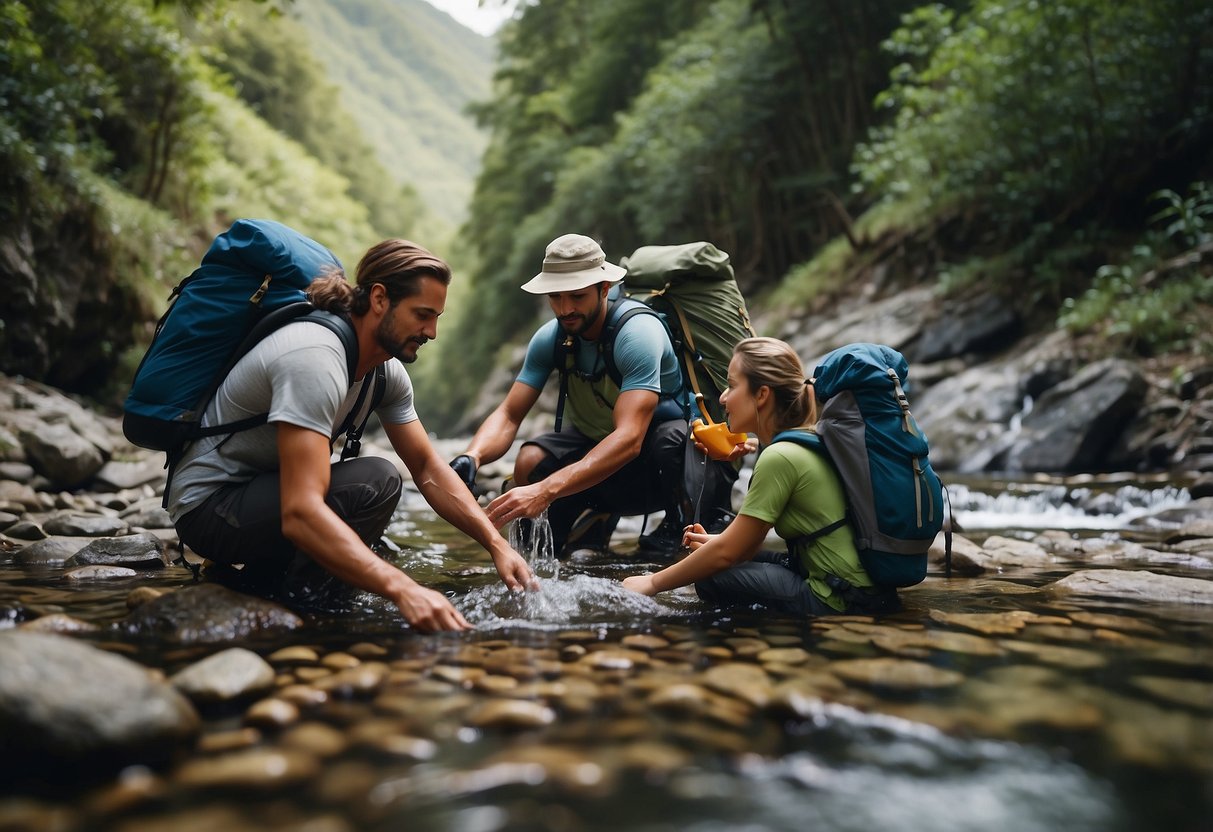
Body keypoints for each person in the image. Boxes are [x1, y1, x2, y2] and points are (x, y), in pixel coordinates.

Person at [168, 239, 535, 633]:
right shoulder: (315, 359)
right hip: (209, 508)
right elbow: (300, 513)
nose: (432, 331)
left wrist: (497, 545)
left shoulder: (384, 373)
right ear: (379, 299)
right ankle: (304, 609)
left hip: (257, 497)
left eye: (437, 317)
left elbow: (428, 468)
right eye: (423, 315)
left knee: (379, 480)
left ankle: (276, 589)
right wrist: (402, 588)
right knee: (375, 481)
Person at [449, 233, 692, 558]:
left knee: (671, 443)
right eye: (556, 297)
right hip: (594, 451)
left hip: (653, 464)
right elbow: (509, 414)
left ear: (604, 289)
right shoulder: (551, 338)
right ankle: (541, 551)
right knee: (530, 460)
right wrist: (473, 457)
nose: (565, 309)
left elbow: (630, 439)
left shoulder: (637, 335)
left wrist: (544, 491)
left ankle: (679, 526)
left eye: (577, 296)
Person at [622, 336, 898, 616]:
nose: (722, 397)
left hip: (840, 598)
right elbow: (745, 544)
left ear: (762, 394)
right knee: (722, 560)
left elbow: (728, 554)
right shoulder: (806, 439)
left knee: (709, 576)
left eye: (732, 386)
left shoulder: (780, 457)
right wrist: (718, 542)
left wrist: (652, 582)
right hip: (865, 587)